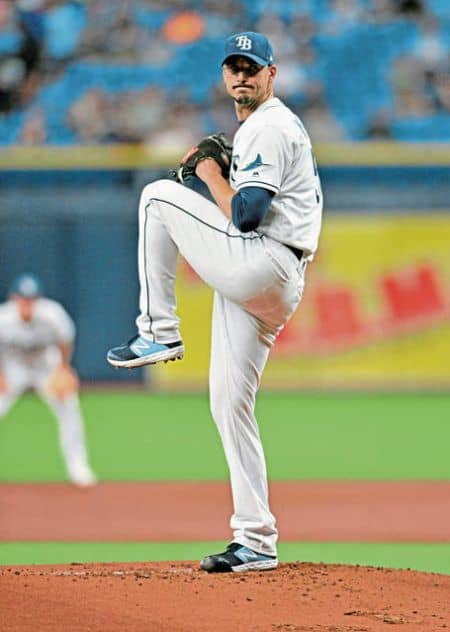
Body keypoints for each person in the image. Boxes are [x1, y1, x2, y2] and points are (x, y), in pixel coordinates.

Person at [107, 31, 323, 572]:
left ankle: (158, 329)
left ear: (272, 74)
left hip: (265, 260)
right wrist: (222, 174)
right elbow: (246, 207)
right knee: (230, 404)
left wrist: (208, 172)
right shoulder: (260, 128)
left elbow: (246, 214)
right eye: (234, 66)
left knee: (157, 197)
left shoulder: (270, 125)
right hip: (271, 280)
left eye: (252, 66)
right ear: (224, 75)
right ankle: (256, 540)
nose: (242, 75)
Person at [0, 273, 96, 487]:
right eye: (23, 299)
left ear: (38, 299)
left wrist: (63, 369)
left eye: (32, 299)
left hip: (45, 365)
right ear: (14, 298)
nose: (28, 304)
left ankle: (78, 466)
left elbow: (65, 339)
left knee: (69, 406)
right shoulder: (3, 319)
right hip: (14, 367)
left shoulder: (53, 314)